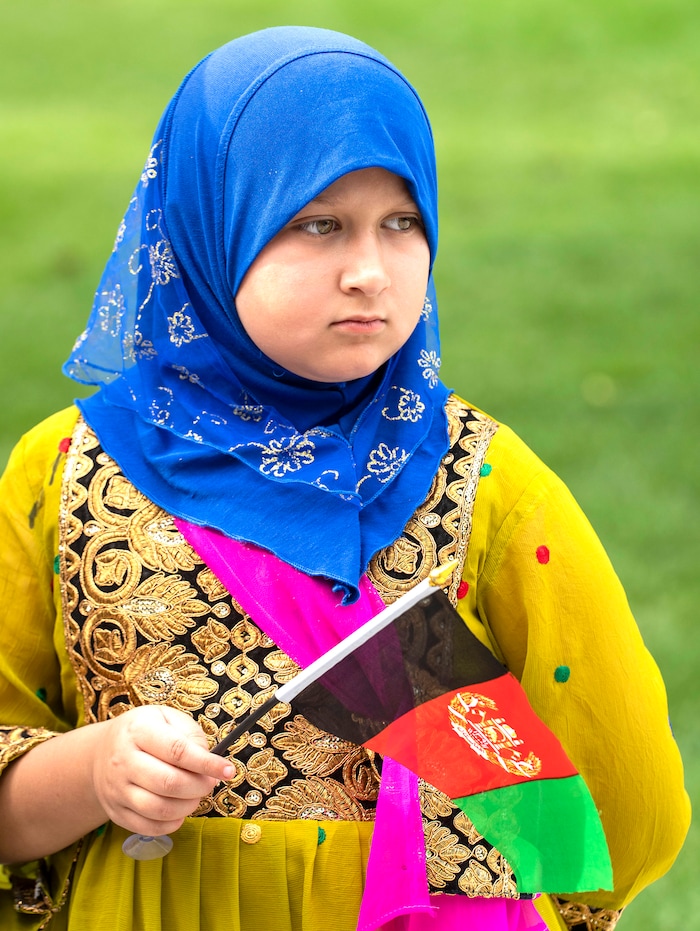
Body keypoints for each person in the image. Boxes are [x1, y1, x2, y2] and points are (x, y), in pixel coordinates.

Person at [0, 25, 689, 931]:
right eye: (315, 223)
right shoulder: (65, 475)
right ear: (212, 223)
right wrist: (92, 773)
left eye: (402, 222)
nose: (369, 271)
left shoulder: (487, 487)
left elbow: (622, 806)